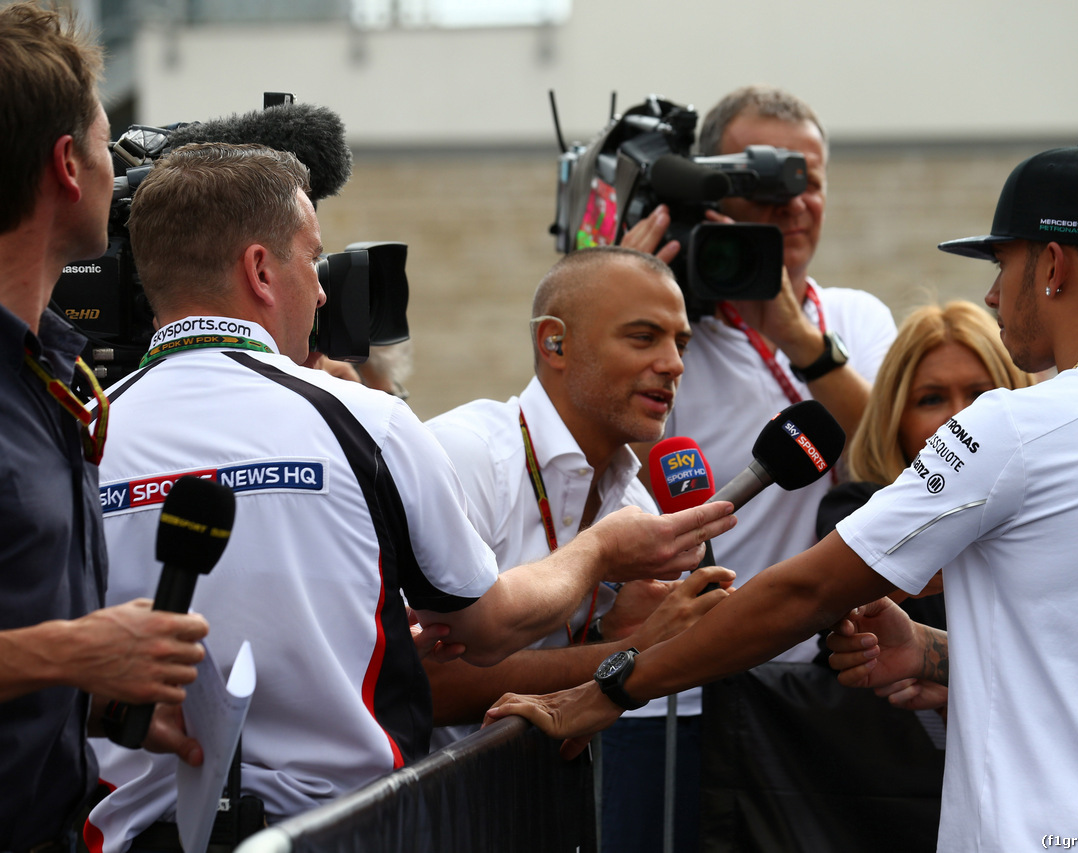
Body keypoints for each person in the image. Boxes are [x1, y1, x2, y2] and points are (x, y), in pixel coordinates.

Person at [489, 143, 1078, 851]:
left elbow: (804, 591)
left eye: (1001, 265)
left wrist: (605, 690)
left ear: (1053, 265)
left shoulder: (1020, 423)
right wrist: (930, 650)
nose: (997, 298)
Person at [81, 143, 734, 852]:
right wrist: (602, 548)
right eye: (312, 257)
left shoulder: (77, 429)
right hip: (344, 829)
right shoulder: (366, 419)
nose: (325, 291)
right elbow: (485, 627)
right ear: (261, 271)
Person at [615, 84, 897, 852]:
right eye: (766, 181)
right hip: (668, 692)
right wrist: (619, 309)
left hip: (808, 694)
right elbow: (609, 472)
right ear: (710, 190)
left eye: (810, 181)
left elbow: (892, 457)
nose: (793, 202)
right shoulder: (672, 335)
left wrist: (796, 333)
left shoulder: (856, 319)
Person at [0, 5, 209, 850]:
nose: (119, 175)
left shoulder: (54, 370)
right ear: (66, 166)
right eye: (104, 144)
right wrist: (72, 653)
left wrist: (87, 690)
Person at [423, 246, 732, 750]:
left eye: (681, 343)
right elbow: (428, 684)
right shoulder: (465, 454)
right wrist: (634, 651)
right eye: (643, 337)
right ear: (555, 342)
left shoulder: (636, 501)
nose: (674, 364)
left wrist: (613, 634)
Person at [817, 300, 1034, 703]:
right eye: (931, 399)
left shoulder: (1056, 512)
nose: (959, 418)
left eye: (981, 395)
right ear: (894, 418)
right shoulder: (853, 512)